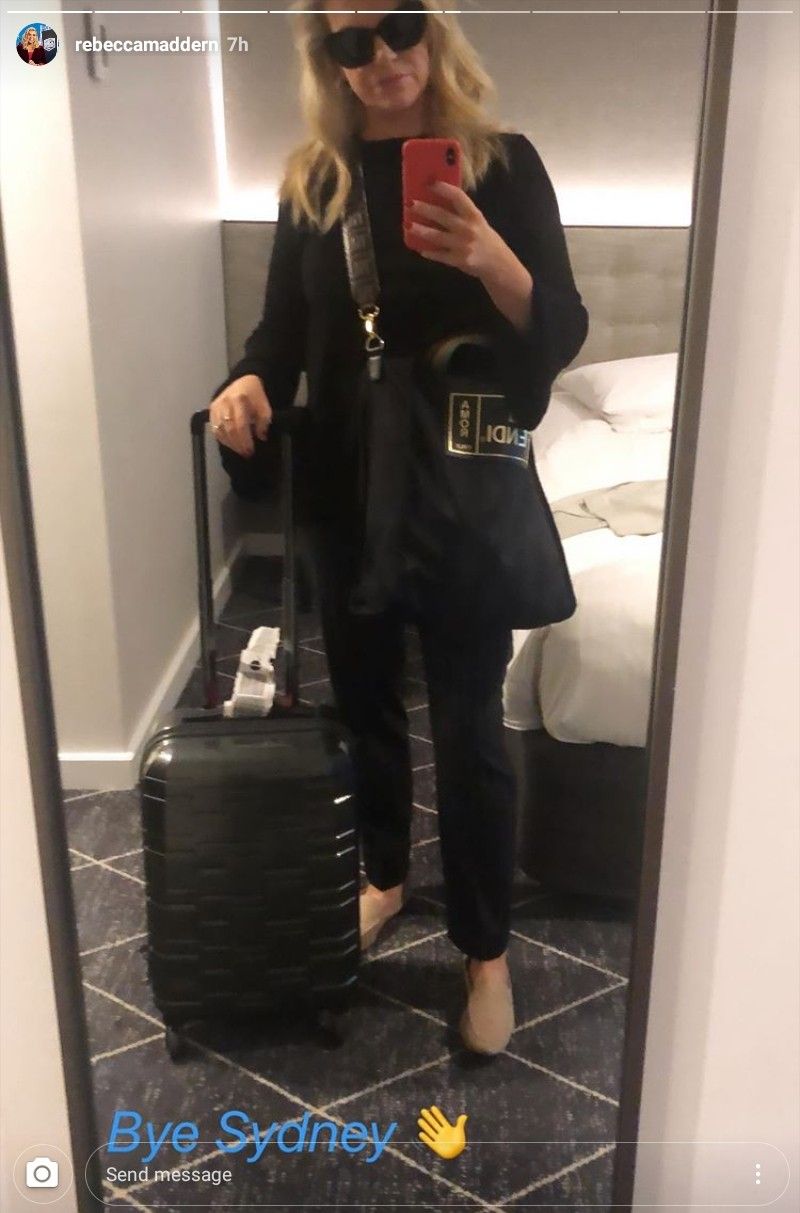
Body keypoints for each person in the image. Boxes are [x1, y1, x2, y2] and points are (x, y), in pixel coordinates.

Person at [208, 0, 588, 1055]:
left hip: (461, 481)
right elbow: (281, 333)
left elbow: (559, 326)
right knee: (365, 700)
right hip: (344, 481)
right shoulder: (314, 184)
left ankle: (484, 946)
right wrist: (247, 381)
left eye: (400, 26)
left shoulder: (502, 166)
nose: (382, 56)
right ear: (328, 61)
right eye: (351, 42)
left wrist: (494, 263)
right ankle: (382, 873)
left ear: (435, 30)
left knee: (468, 724)